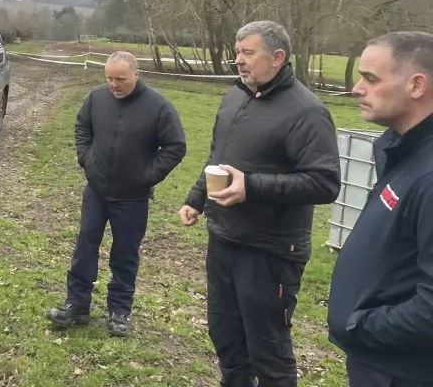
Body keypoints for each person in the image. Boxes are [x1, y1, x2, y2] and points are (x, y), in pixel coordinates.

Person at [179, 20, 341, 387]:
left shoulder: (307, 112)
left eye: (247, 53)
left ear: (278, 57)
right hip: (224, 239)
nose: (238, 60)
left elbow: (324, 182)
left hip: (270, 251)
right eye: (237, 52)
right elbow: (218, 155)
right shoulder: (237, 95)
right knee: (226, 336)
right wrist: (197, 198)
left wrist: (252, 187)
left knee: (268, 351)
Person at [48, 50, 187, 336]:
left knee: (125, 255)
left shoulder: (159, 107)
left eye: (120, 79)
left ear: (136, 74)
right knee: (85, 247)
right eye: (110, 78)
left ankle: (119, 312)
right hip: (96, 191)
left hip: (133, 198)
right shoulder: (96, 98)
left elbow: (175, 147)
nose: (114, 84)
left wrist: (147, 176)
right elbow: (81, 128)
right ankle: (77, 305)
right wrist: (86, 160)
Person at [327, 31, 433, 387]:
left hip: (401, 371)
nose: (357, 88)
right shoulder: (401, 149)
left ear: (417, 85)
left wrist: (360, 325)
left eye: (371, 79)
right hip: (375, 361)